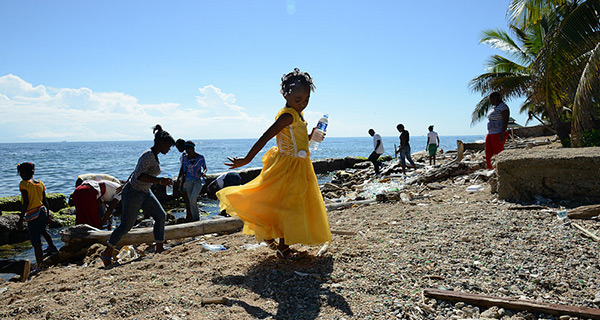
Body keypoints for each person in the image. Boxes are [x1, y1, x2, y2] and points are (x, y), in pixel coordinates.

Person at [217, 68, 331, 260]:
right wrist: (246, 159)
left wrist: (311, 136)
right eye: (298, 100)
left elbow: (297, 138)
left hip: (300, 165)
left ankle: (272, 237)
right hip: (289, 166)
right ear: (285, 94)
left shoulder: (298, 115)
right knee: (290, 205)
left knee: (284, 203)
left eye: (306, 100)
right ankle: (282, 247)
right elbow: (265, 137)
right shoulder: (287, 116)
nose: (302, 103)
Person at [101, 125, 175, 267]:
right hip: (134, 192)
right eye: (168, 146)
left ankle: (159, 248)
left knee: (160, 216)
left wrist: (128, 181)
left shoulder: (153, 155)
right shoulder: (148, 155)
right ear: (161, 143)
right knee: (125, 226)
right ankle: (106, 253)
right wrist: (160, 181)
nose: (169, 149)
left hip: (145, 192)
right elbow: (140, 176)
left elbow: (136, 171)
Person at [17, 162, 59, 270]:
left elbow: (26, 202)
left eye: (21, 172)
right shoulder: (40, 183)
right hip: (42, 211)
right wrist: (48, 215)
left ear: (25, 172)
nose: (20, 175)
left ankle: (40, 264)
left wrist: (21, 219)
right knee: (43, 230)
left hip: (33, 214)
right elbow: (45, 201)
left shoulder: (24, 184)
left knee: (36, 241)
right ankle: (52, 247)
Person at [178, 140, 207, 221]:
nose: (187, 152)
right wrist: (180, 181)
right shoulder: (184, 158)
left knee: (193, 199)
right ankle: (195, 218)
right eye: (186, 150)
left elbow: (205, 168)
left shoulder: (200, 157)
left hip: (198, 181)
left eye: (189, 150)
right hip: (188, 181)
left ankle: (196, 217)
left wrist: (203, 173)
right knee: (191, 201)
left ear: (193, 149)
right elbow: (183, 171)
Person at [486, 92, 510, 169]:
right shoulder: (494, 108)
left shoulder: (503, 107)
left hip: (498, 133)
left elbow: (506, 120)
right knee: (488, 152)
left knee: (497, 152)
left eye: (491, 99)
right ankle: (490, 168)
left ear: (495, 98)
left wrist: (502, 134)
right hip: (491, 133)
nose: (490, 101)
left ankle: (499, 169)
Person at [174, 138, 192, 218]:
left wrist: (179, 179)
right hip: (189, 178)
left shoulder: (185, 155)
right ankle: (190, 214)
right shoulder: (188, 154)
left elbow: (183, 169)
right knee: (189, 198)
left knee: (187, 197)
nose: (178, 150)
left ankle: (189, 215)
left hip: (185, 178)